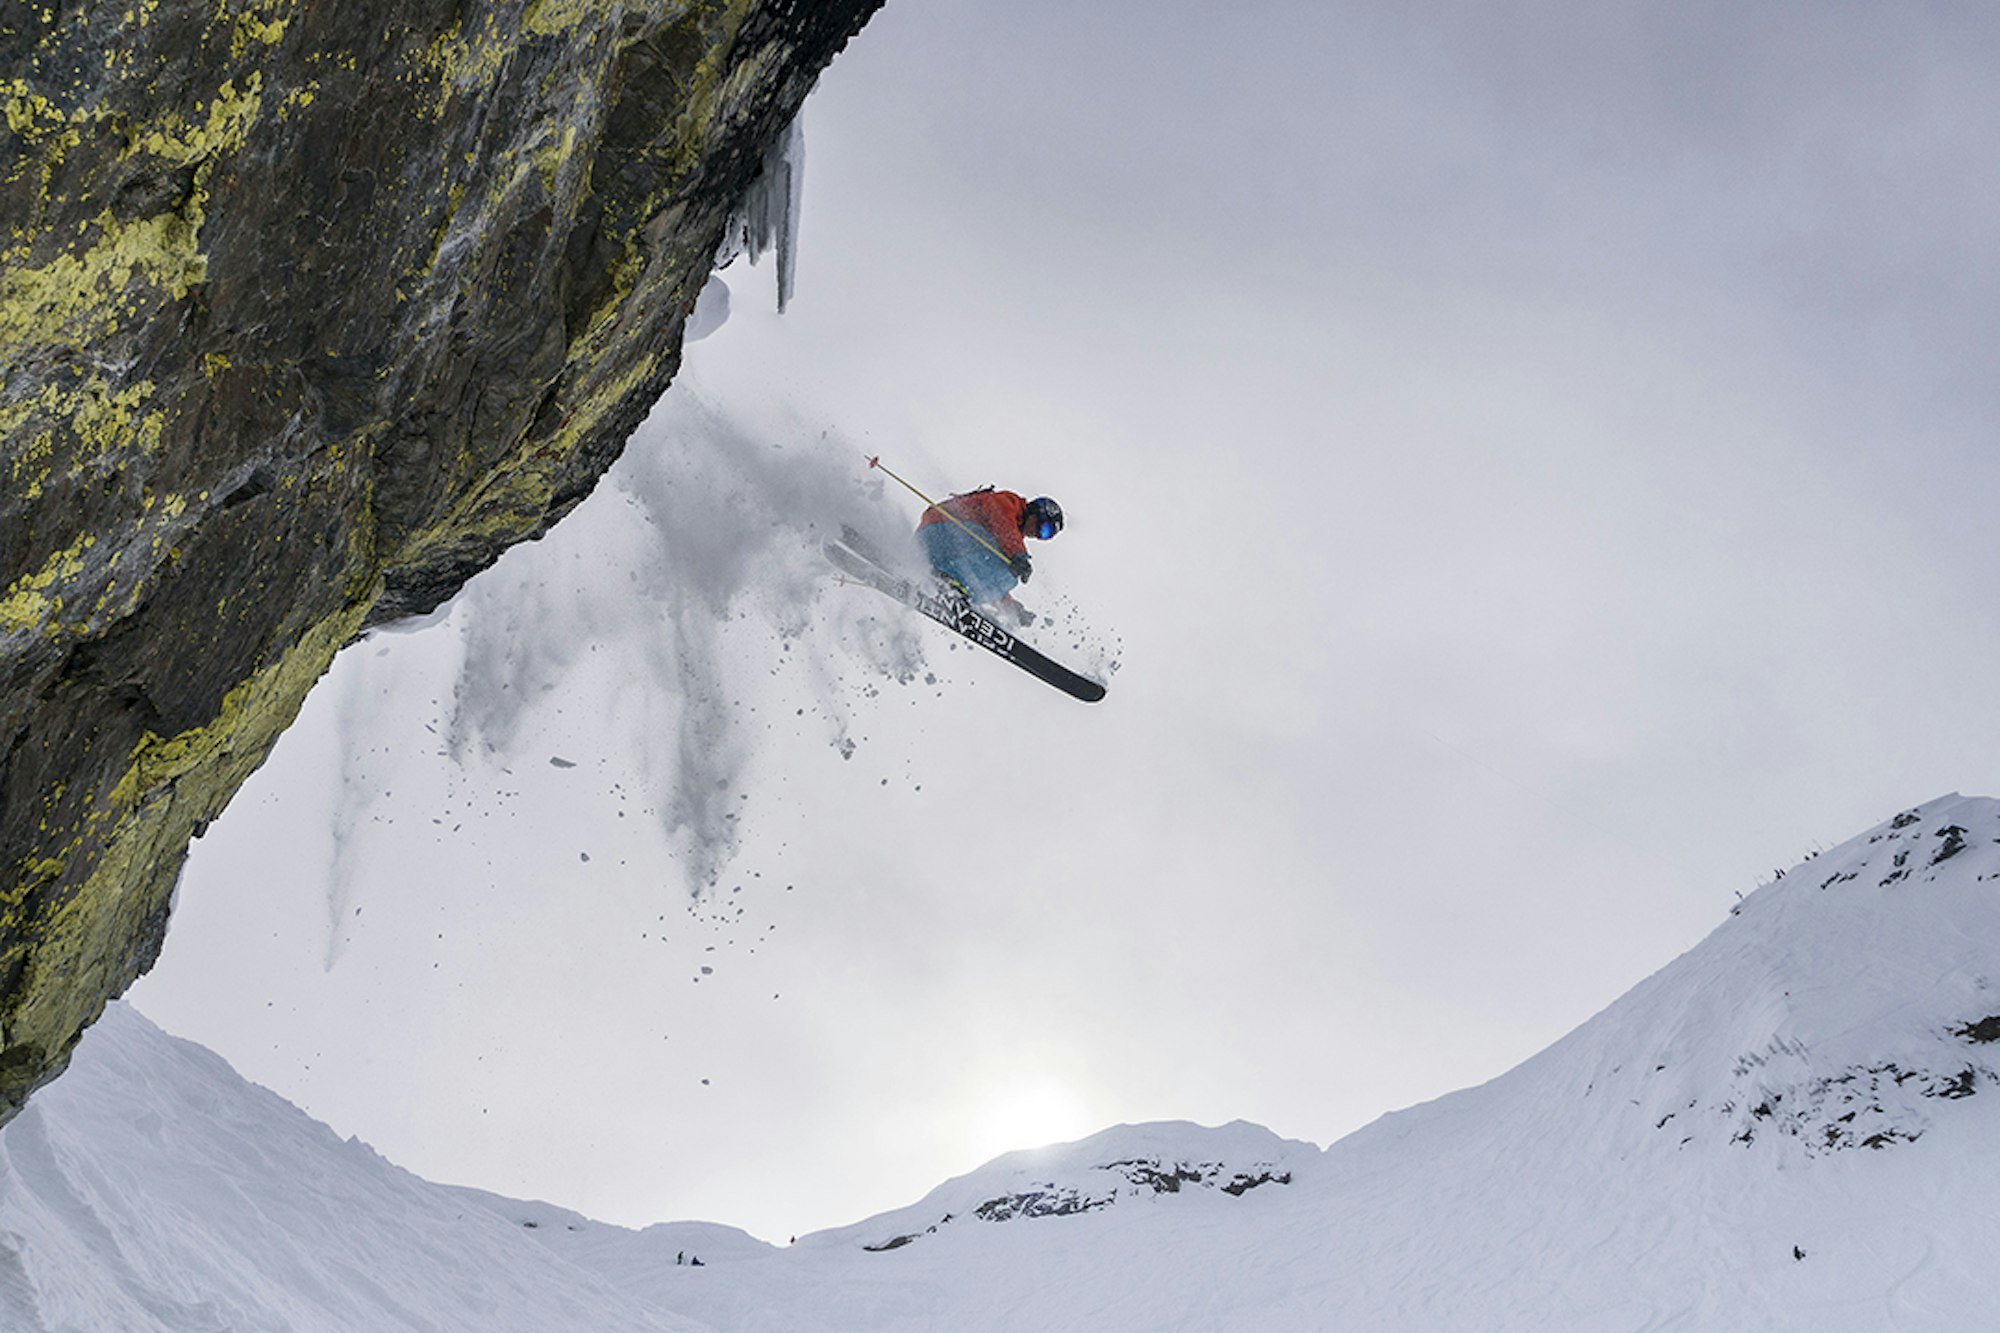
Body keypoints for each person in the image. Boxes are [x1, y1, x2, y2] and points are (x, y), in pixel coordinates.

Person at [916, 488, 1064, 625]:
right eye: (1043, 528)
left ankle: (947, 584)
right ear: (1035, 512)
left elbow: (986, 580)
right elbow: (1002, 520)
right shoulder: (1009, 503)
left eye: (1046, 535)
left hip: (936, 552)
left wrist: (1013, 609)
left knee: (1007, 573)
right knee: (1008, 569)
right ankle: (948, 584)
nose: (1037, 534)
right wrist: (1019, 555)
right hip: (941, 529)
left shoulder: (1010, 539)